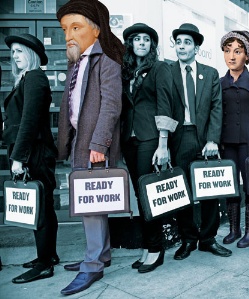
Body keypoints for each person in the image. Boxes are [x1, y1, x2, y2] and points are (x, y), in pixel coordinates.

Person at [56, 0, 125, 295]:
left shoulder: (106, 60)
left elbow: (111, 105)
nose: (69, 35)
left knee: (91, 207)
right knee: (93, 206)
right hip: (78, 142)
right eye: (64, 29)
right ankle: (102, 254)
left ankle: (92, 265)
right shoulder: (76, 62)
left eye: (76, 28)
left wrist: (99, 143)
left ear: (95, 31)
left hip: (93, 144)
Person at [169, 23, 232, 260]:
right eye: (179, 42)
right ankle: (188, 240)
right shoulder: (168, 71)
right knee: (182, 191)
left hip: (206, 138)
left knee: (210, 190)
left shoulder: (211, 73)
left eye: (188, 43)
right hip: (180, 137)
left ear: (196, 48)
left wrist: (213, 139)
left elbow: (217, 107)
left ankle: (207, 239)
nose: (182, 46)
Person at [121, 23, 177, 272]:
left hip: (151, 138)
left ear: (151, 45)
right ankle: (147, 245)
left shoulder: (160, 67)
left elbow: (165, 104)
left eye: (146, 39)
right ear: (131, 43)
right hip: (130, 140)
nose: (142, 43)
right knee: (139, 196)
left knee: (148, 196)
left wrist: (163, 143)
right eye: (137, 39)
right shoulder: (127, 70)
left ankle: (156, 249)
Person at [4, 33, 58, 284]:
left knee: (41, 208)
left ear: (32, 55)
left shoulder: (35, 77)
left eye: (20, 51)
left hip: (33, 152)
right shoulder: (25, 79)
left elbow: (29, 122)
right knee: (43, 205)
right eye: (13, 52)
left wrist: (18, 158)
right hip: (31, 151)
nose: (15, 56)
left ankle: (45, 264)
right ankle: (49, 256)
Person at [219, 30, 249, 248]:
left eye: (237, 51)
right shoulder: (219, 83)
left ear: (247, 55)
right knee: (231, 186)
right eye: (227, 51)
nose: (231, 56)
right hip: (227, 142)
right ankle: (234, 230)